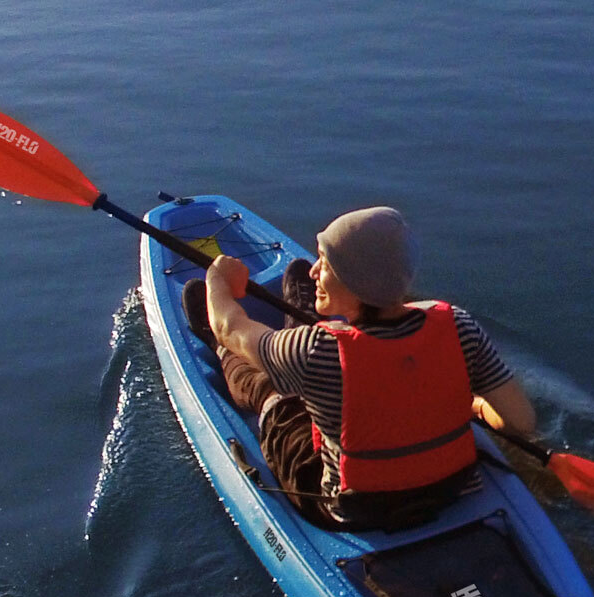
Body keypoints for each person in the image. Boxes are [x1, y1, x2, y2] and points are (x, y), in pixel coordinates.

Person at [183, 206, 536, 530]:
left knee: (273, 395)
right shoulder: (459, 326)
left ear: (355, 282)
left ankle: (225, 354)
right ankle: (303, 312)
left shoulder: (318, 350)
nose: (313, 269)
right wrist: (473, 404)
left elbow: (230, 328)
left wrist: (216, 280)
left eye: (324, 262)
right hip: (450, 489)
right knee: (303, 360)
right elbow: (521, 422)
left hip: (352, 508)